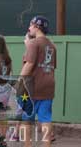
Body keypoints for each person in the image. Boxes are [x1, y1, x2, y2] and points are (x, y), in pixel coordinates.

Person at [19, 16, 56, 147]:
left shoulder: (34, 44)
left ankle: (27, 145)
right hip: (48, 86)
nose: (29, 28)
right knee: (45, 118)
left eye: (30, 25)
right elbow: (50, 67)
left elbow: (29, 64)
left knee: (27, 119)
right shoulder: (52, 46)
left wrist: (19, 82)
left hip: (33, 87)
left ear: (36, 26)